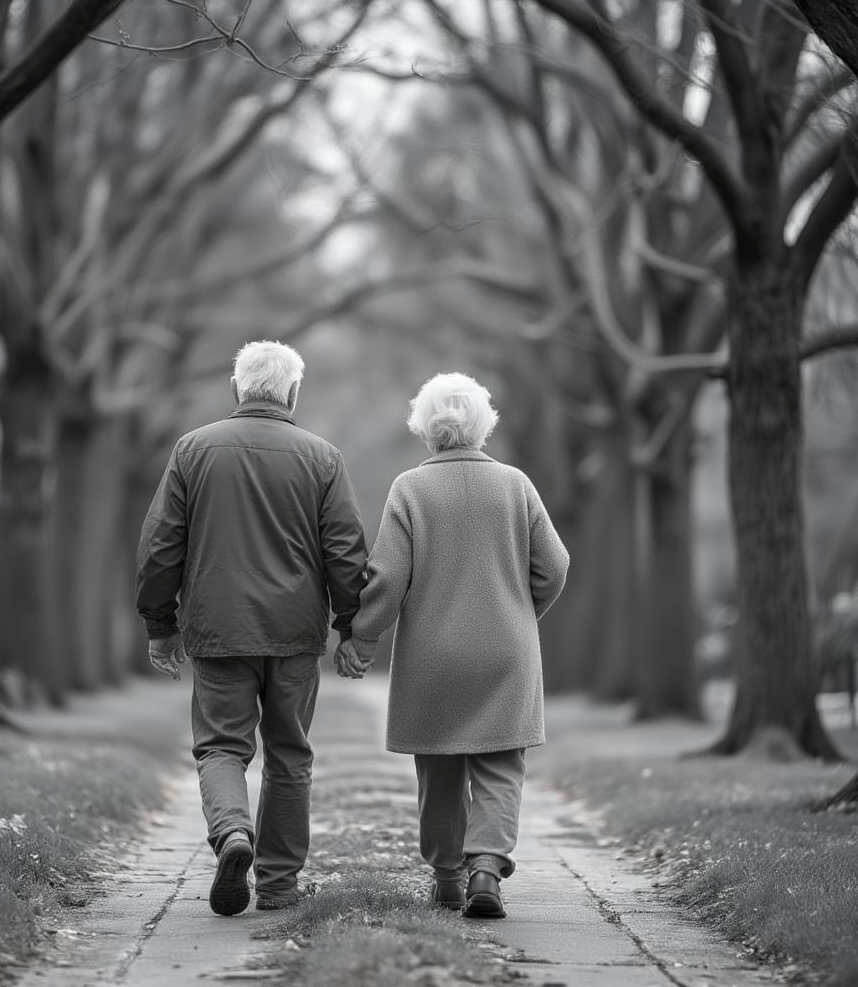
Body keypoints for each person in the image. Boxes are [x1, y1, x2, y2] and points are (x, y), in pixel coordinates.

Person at [136, 340, 367, 916]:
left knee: (220, 746)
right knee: (289, 753)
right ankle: (280, 885)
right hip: (293, 632)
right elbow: (345, 551)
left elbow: (161, 545)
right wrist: (352, 627)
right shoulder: (322, 457)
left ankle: (232, 833)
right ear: (292, 393)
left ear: (237, 389)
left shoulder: (193, 450)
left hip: (218, 628)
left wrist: (160, 625)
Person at [335, 372, 569, 919]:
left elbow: (388, 578)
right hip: (506, 650)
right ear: (484, 424)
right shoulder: (516, 485)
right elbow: (554, 566)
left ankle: (446, 876)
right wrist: (520, 611)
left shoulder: (410, 489)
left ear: (424, 426)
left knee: (439, 767)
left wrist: (361, 638)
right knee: (500, 763)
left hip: (433, 654)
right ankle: (485, 867)